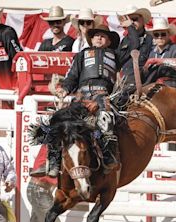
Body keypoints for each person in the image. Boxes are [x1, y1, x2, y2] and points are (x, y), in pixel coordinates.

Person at [31, 24, 121, 177]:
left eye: (103, 35)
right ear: (91, 39)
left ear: (109, 40)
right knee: (57, 119)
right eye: (96, 35)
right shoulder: (81, 55)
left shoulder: (116, 55)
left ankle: (108, 157)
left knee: (106, 118)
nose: (99, 38)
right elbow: (72, 76)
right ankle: (53, 162)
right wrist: (64, 89)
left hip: (104, 96)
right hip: (82, 97)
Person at [116, 5, 153, 87]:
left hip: (144, 83)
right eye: (129, 20)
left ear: (142, 20)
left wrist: (130, 27)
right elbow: (119, 60)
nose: (132, 22)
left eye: (134, 19)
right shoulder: (124, 40)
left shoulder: (150, 39)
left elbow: (135, 46)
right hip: (124, 83)